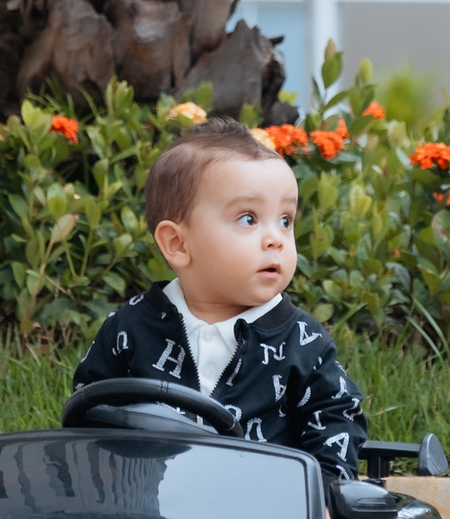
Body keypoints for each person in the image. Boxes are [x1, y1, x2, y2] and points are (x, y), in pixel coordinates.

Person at [72, 116, 367, 479]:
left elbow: (336, 419)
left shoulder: (302, 342)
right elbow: (88, 414)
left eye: (286, 220)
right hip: (149, 505)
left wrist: (326, 493)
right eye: (248, 219)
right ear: (178, 244)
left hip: (265, 516)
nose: (275, 238)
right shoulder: (128, 330)